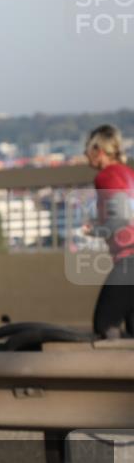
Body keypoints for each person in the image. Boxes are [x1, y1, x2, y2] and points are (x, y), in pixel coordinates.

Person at [84, 124, 134, 338]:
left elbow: (121, 219)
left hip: (130, 259)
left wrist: (94, 229)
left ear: (99, 151)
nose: (85, 154)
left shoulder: (107, 176)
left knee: (105, 324)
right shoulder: (128, 173)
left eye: (87, 149)